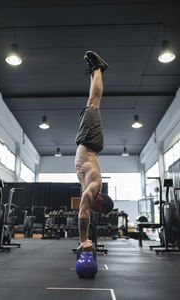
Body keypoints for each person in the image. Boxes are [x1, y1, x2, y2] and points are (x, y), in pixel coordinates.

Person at [75, 51, 114, 252]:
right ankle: (99, 68)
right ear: (101, 202)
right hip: (90, 141)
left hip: (88, 141)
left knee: (91, 103)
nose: (95, 210)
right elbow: (83, 213)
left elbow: (85, 212)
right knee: (93, 102)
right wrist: (84, 240)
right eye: (98, 209)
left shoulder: (92, 187)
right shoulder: (94, 188)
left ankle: (94, 70)